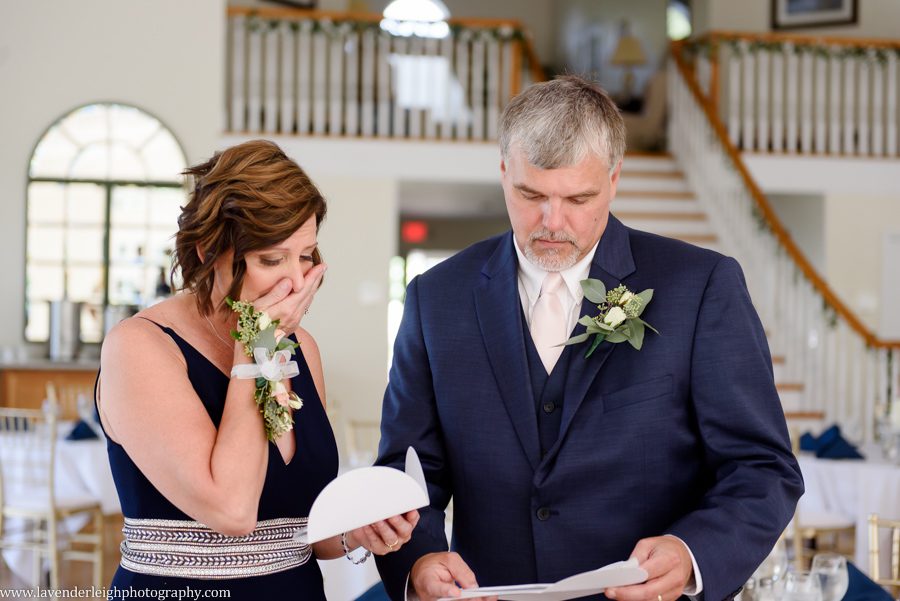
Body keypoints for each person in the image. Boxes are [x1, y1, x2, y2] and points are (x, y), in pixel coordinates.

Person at [374, 76, 803, 601]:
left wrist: (692, 553)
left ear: (615, 178)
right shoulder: (434, 298)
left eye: (579, 197)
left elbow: (763, 469)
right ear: (503, 170)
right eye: (531, 194)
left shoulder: (701, 286)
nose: (553, 222)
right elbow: (409, 470)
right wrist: (417, 561)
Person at [98, 140, 418, 600]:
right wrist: (257, 342)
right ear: (209, 251)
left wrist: (358, 531)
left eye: (306, 255)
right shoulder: (140, 346)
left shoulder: (300, 348)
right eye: (272, 259)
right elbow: (232, 509)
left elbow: (298, 526)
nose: (295, 280)